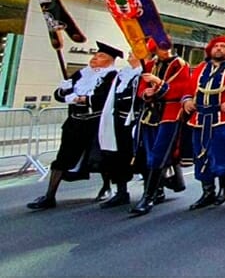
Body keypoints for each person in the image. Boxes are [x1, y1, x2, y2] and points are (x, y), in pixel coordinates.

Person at [28, 42, 122, 210]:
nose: (95, 58)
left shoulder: (112, 76)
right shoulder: (81, 74)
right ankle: (49, 196)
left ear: (109, 61)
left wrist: (83, 99)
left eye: (101, 56)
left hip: (96, 123)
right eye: (95, 54)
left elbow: (105, 99)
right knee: (63, 157)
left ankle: (106, 186)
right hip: (75, 122)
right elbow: (60, 94)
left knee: (100, 158)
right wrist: (64, 91)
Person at [181, 35, 225, 210]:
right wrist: (187, 101)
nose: (219, 49)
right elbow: (188, 89)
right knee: (200, 155)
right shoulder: (200, 68)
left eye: (223, 46)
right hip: (199, 118)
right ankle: (207, 191)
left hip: (223, 118)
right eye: (216, 46)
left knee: (220, 153)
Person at [130, 37, 191, 216]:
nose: (165, 50)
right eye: (161, 48)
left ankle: (147, 197)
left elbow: (181, 89)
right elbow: (142, 88)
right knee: (148, 153)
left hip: (170, 113)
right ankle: (158, 190)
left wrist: (158, 83)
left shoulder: (180, 64)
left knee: (160, 153)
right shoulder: (149, 65)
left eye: (167, 47)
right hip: (150, 114)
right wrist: (146, 92)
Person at [98, 51, 144, 208]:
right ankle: (121, 192)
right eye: (130, 52)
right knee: (117, 156)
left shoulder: (145, 73)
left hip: (137, 121)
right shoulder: (122, 74)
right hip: (117, 120)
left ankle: (151, 191)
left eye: (134, 53)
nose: (130, 55)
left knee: (139, 156)